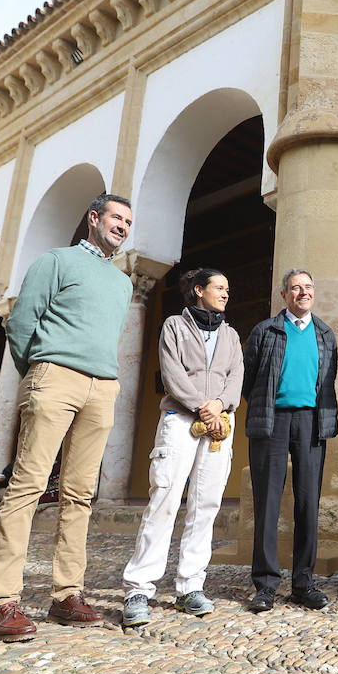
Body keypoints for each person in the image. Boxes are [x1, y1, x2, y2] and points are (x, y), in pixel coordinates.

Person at [0, 193, 134, 642]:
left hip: (102, 387)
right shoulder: (56, 261)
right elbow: (21, 322)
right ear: (93, 218)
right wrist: (38, 370)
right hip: (54, 377)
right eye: (115, 218)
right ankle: (1, 602)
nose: (123, 226)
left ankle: (67, 594)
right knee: (27, 486)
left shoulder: (122, 283)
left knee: (80, 493)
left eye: (128, 221)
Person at [121, 268, 243, 627]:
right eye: (218, 287)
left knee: (206, 504)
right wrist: (202, 404)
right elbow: (171, 373)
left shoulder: (231, 335)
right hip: (181, 420)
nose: (224, 293)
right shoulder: (174, 326)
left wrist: (219, 405)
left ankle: (191, 585)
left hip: (220, 424)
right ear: (198, 290)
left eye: (227, 288)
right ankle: (139, 589)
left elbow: (236, 376)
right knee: (164, 498)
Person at [241, 268, 338, 613]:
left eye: (308, 287)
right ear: (284, 295)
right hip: (273, 420)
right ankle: (266, 584)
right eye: (296, 288)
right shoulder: (265, 330)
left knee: (308, 502)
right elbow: (247, 379)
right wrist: (266, 406)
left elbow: (327, 381)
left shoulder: (325, 334)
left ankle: (303, 583)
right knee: (267, 501)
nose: (303, 292)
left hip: (311, 422)